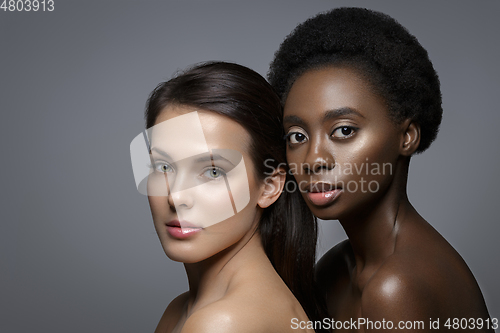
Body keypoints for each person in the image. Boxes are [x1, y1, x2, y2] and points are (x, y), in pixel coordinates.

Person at [268, 7, 494, 332]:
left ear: (407, 137)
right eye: (297, 136)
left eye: (344, 130)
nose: (314, 159)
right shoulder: (334, 270)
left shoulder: (396, 286)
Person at [130, 62, 321, 332]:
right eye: (164, 167)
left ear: (269, 186)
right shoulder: (183, 309)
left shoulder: (222, 323)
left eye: (212, 171)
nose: (176, 197)